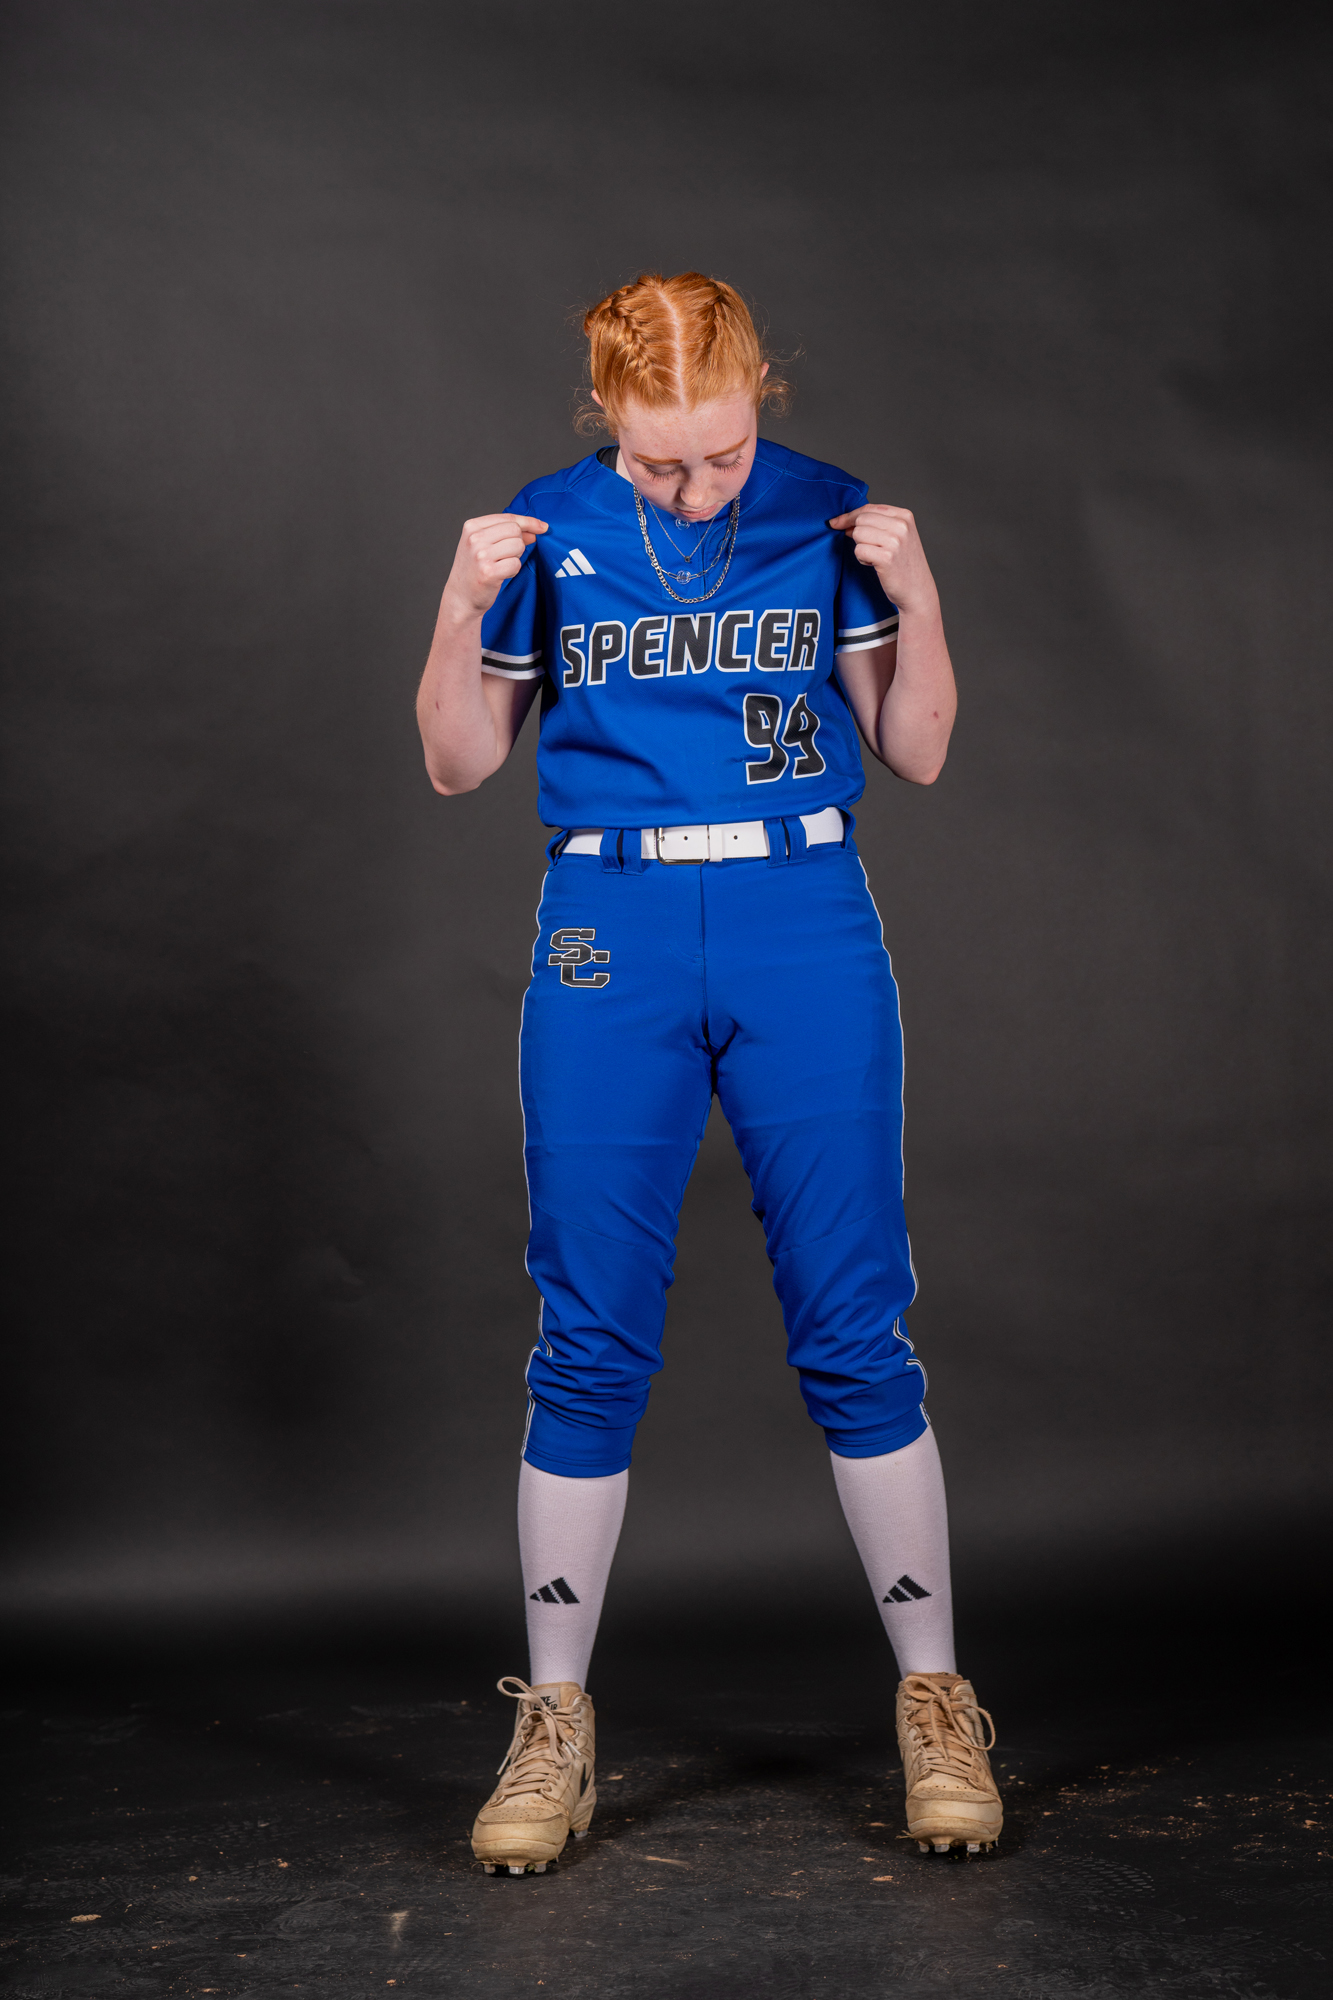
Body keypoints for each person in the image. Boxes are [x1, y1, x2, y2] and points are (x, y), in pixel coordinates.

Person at [416, 271, 1002, 1877]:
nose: (693, 488)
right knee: (587, 1324)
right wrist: (459, 607)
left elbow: (918, 748)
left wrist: (919, 591)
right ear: (605, 415)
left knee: (854, 1316)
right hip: (605, 920)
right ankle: (551, 1718)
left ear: (761, 402)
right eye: (658, 460)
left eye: (722, 455)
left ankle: (936, 1698)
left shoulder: (827, 512)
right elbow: (458, 762)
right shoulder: (547, 529)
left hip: (798, 911)